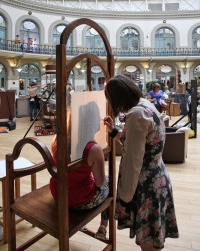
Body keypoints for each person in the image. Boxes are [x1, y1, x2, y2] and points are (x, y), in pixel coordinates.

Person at [103, 75, 179, 251]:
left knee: (148, 242)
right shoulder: (145, 104)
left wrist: (124, 196)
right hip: (157, 177)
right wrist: (115, 131)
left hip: (146, 186)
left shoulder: (136, 113)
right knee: (153, 236)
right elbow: (141, 140)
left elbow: (133, 159)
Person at [49, 103, 109, 240]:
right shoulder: (93, 148)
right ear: (93, 121)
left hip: (57, 192)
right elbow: (100, 183)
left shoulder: (59, 139)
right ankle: (103, 227)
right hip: (78, 199)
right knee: (109, 181)